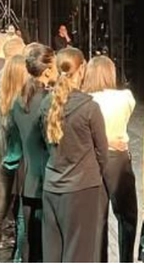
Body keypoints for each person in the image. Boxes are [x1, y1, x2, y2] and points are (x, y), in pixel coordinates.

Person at [42, 47, 109, 262]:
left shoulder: (46, 104)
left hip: (52, 188)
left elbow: (45, 145)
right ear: (81, 70)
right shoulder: (89, 108)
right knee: (80, 256)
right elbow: (103, 153)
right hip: (82, 190)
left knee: (53, 255)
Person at [84, 54, 138, 262]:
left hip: (93, 159)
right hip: (118, 160)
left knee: (98, 219)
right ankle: (125, 260)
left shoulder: (86, 100)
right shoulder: (125, 97)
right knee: (127, 217)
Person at [9, 43, 55, 261]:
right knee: (47, 245)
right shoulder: (50, 102)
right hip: (49, 180)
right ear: (47, 70)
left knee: (29, 242)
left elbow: (14, 146)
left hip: (26, 180)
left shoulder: (18, 101)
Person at [0, 53, 28, 261]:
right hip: (20, 164)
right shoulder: (20, 104)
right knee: (20, 215)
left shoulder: (0, 100)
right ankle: (19, 258)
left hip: (4, 160)